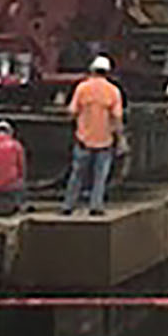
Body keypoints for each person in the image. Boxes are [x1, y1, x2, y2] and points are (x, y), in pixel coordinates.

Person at [62, 55, 124, 216]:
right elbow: (117, 118)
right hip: (104, 141)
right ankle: (96, 206)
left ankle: (69, 205)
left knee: (77, 175)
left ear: (91, 70)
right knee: (100, 177)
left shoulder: (82, 88)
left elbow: (72, 112)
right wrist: (122, 140)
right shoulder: (113, 91)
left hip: (83, 139)